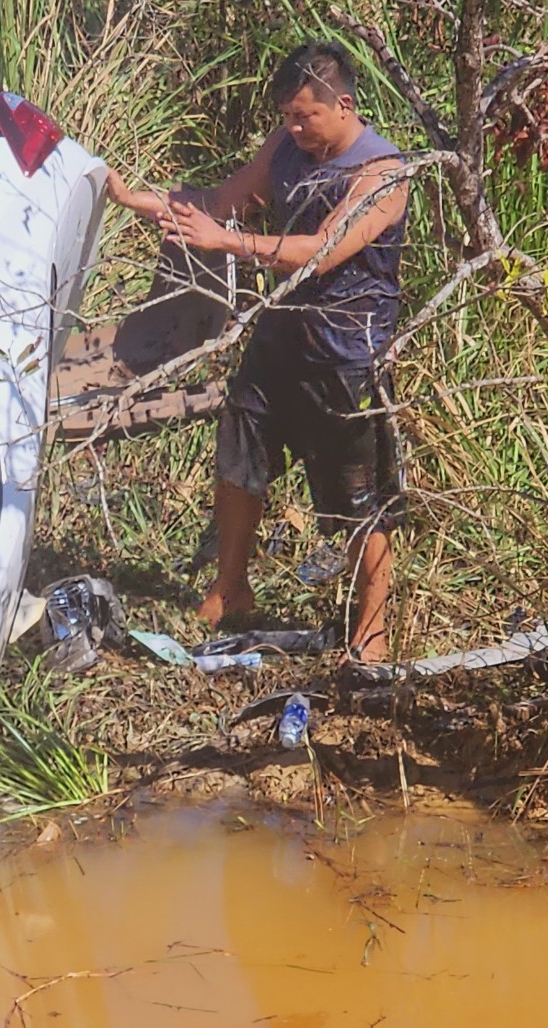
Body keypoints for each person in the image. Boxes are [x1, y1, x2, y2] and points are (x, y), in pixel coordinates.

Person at [105, 41, 409, 661]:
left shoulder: (382, 175)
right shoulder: (284, 146)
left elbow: (321, 249)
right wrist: (143, 200)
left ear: (344, 105)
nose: (294, 128)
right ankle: (230, 586)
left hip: (347, 352)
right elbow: (221, 202)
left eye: (305, 117)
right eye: (287, 117)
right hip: (281, 335)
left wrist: (230, 243)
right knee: (239, 461)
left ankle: (372, 627)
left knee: (356, 497)